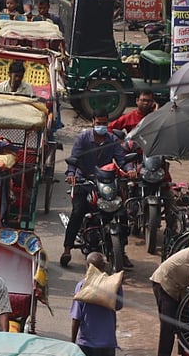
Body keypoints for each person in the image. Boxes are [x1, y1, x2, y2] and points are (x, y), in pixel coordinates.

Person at [62, 113, 128, 267]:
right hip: (84, 182)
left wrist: (129, 170)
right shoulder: (83, 138)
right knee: (78, 212)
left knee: (122, 213)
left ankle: (122, 251)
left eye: (104, 123)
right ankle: (67, 249)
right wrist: (71, 174)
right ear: (93, 122)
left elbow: (122, 160)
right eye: (99, 122)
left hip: (105, 183)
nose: (102, 126)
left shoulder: (112, 140)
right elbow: (74, 159)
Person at [70, 252, 123, 356]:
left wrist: (72, 342)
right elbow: (118, 306)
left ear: (87, 266)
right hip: (107, 343)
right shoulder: (114, 285)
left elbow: (76, 317)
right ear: (104, 266)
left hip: (86, 343)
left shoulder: (82, 286)